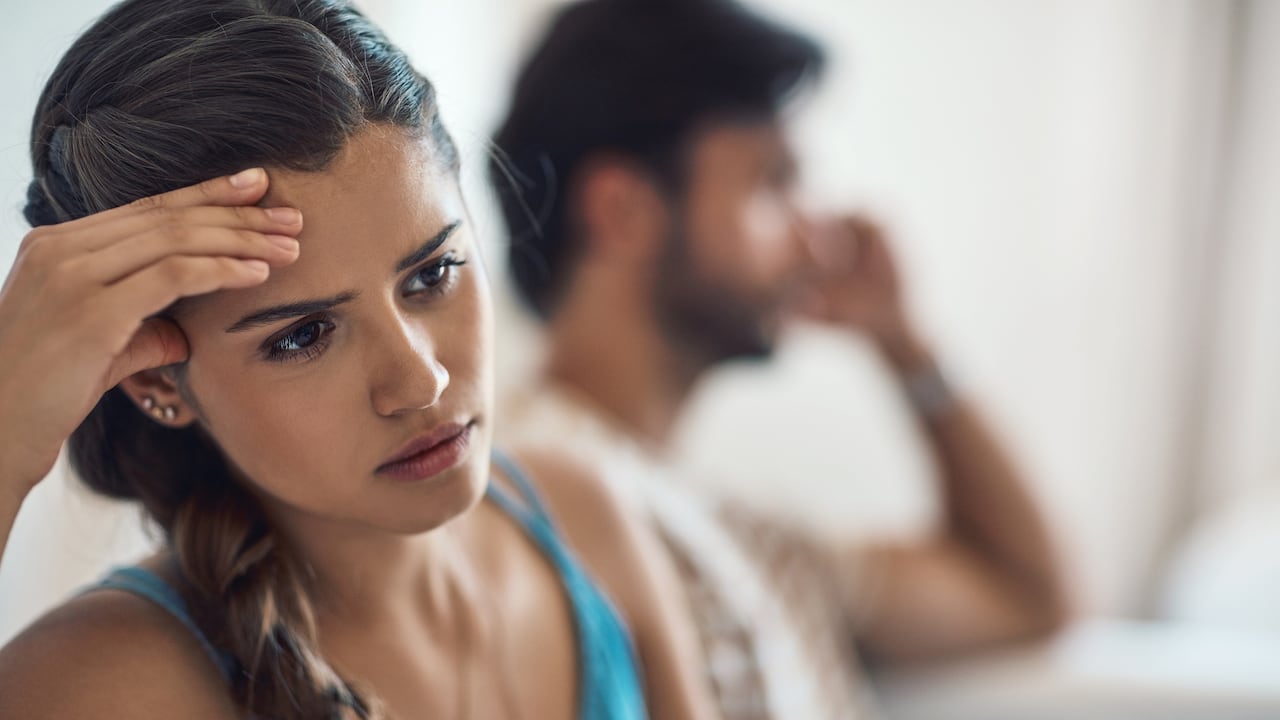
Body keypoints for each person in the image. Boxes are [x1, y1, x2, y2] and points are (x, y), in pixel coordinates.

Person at [0, 1, 719, 718]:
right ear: (157, 376)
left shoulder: (585, 518)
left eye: (432, 274)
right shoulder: (97, 685)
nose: (420, 381)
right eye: (302, 336)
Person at [490, 0, 1070, 717]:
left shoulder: (746, 529)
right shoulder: (517, 500)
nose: (818, 241)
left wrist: (906, 344)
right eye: (772, 183)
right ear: (623, 210)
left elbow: (1026, 595)